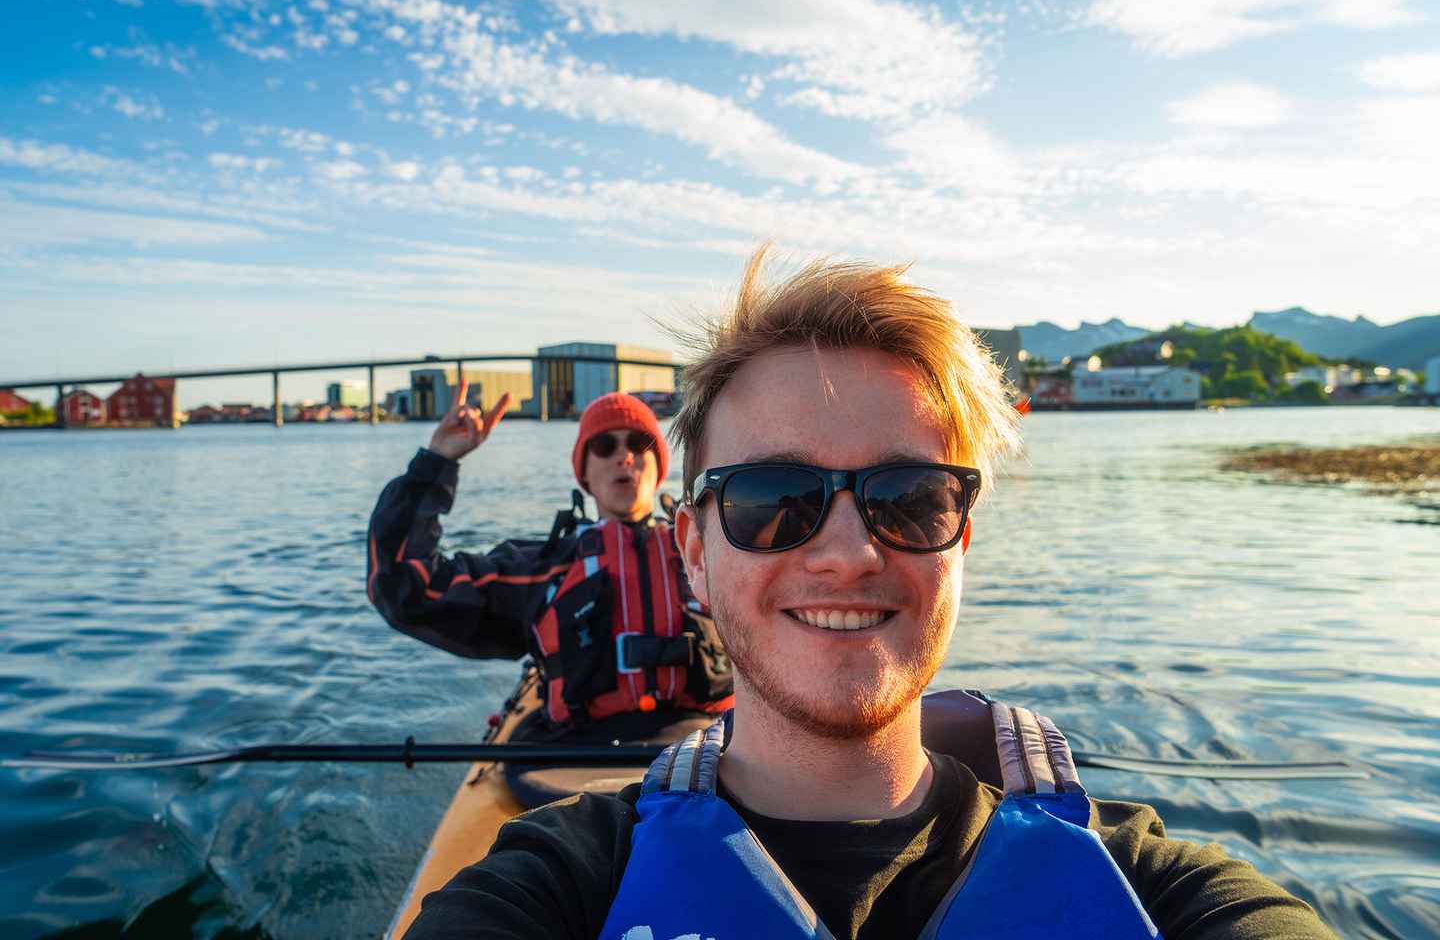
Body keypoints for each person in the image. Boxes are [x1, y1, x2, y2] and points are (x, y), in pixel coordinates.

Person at [402, 251, 1337, 939]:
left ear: (961, 534)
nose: (847, 553)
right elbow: (410, 588)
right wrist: (433, 466)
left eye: (909, 498)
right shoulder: (555, 886)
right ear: (694, 548)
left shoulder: (1161, 889)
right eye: (772, 501)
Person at [366, 381, 733, 741]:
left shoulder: (714, 554)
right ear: (584, 473)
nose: (625, 457)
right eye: (606, 446)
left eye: (639, 444)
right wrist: (436, 463)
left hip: (707, 746)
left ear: (658, 464)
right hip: (583, 754)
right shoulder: (545, 569)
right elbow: (405, 587)